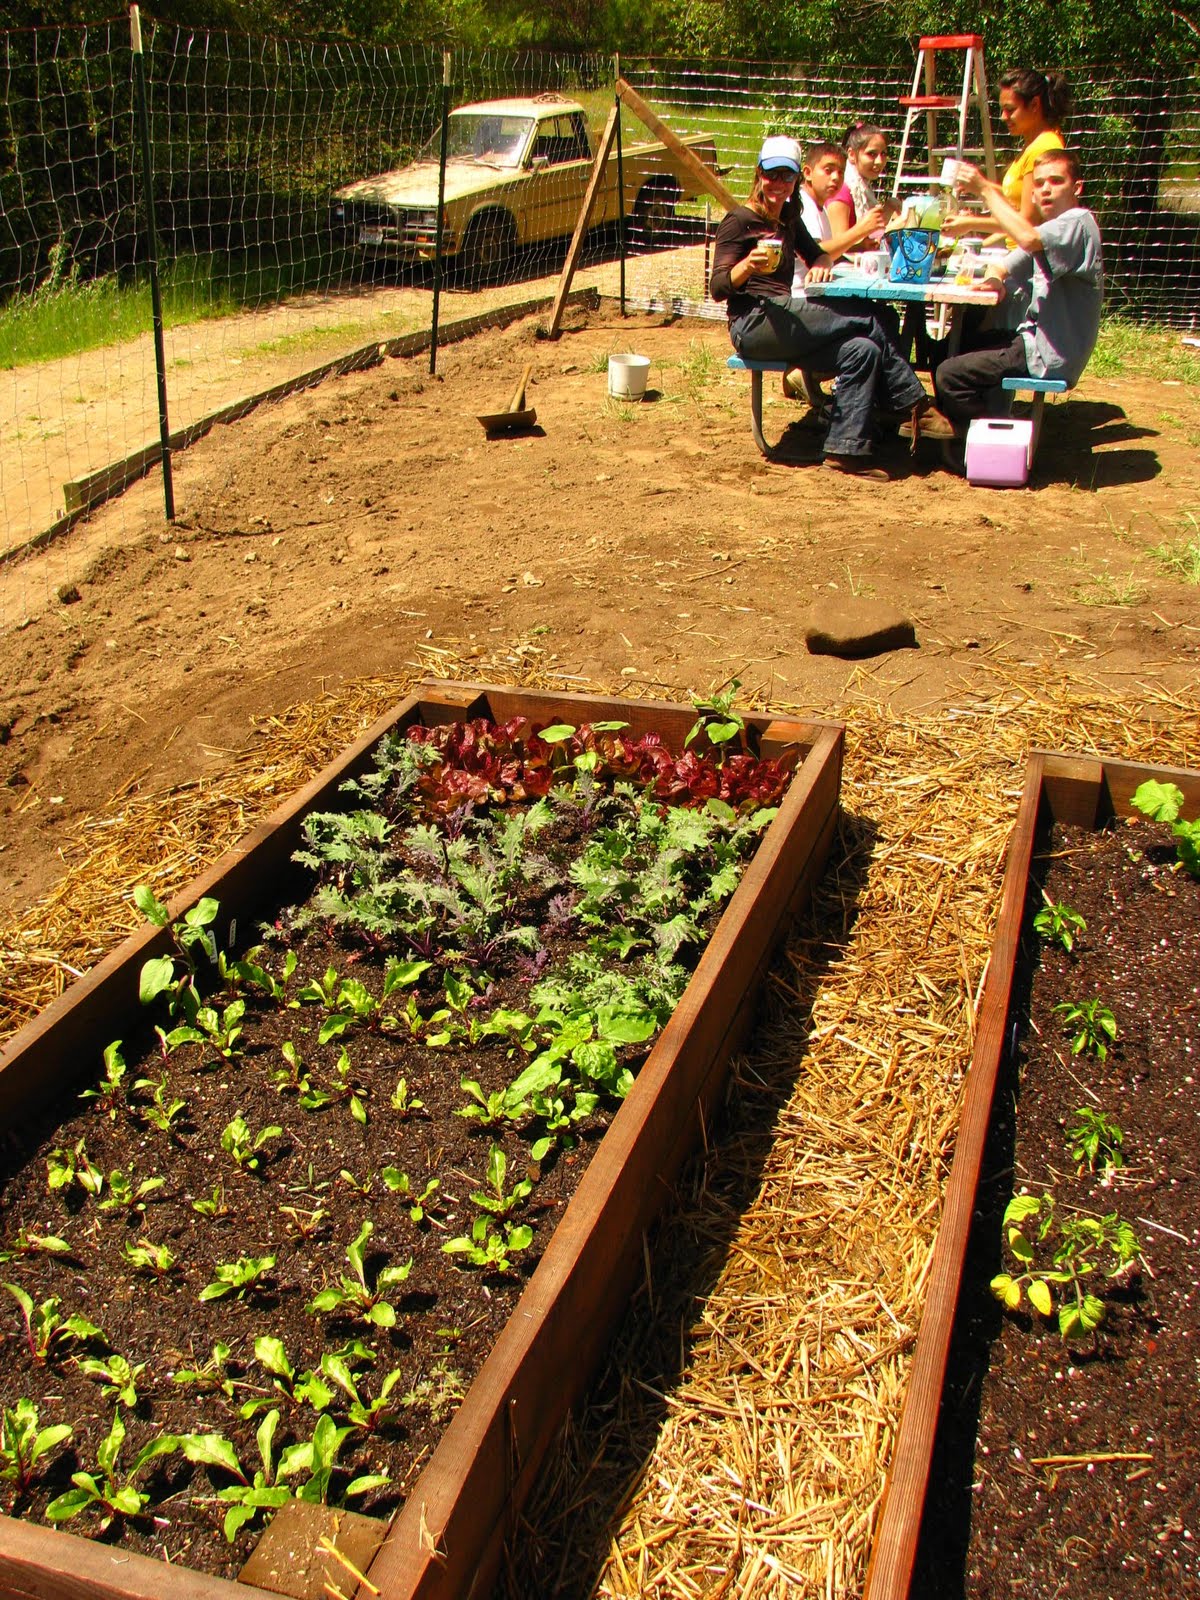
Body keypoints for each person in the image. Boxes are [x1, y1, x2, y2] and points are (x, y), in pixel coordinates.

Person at [710, 136, 955, 480]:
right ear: (758, 174)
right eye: (772, 174)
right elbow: (718, 287)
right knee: (871, 317)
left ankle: (846, 450)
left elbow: (819, 253)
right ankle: (913, 404)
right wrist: (748, 266)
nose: (779, 183)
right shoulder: (739, 220)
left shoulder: (789, 219)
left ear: (797, 179)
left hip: (784, 317)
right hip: (754, 322)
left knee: (863, 348)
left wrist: (820, 263)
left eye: (787, 176)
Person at [933, 149, 1102, 428]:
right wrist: (996, 280)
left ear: (1077, 187)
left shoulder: (1076, 224)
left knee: (950, 374)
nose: (1046, 190)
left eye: (1056, 181)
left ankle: (990, 434)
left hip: (1046, 353)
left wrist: (985, 189)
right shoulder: (1051, 229)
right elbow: (1004, 264)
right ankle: (952, 425)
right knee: (945, 348)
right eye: (1039, 183)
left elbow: (1026, 236)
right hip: (1031, 341)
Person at [942, 68, 1071, 244]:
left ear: (1034, 105)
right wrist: (981, 185)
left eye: (1010, 110)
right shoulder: (1032, 146)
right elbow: (1017, 200)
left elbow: (1026, 222)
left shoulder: (1044, 148)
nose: (1004, 117)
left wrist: (971, 223)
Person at [791, 141, 888, 294]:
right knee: (877, 316)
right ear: (808, 173)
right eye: (828, 170)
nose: (836, 177)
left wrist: (860, 246)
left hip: (820, 292)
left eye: (841, 172)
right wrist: (861, 229)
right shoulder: (803, 206)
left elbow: (825, 248)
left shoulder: (820, 208)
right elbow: (815, 252)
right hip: (802, 295)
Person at [826, 122, 896, 241]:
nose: (879, 161)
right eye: (871, 154)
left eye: (883, 154)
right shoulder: (842, 190)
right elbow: (838, 245)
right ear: (852, 155)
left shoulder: (863, 188)